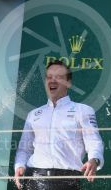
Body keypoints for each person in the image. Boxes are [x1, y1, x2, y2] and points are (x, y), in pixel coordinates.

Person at [14, 60, 104, 190]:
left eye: (59, 77)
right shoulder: (33, 114)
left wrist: (94, 160)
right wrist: (20, 166)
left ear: (68, 83)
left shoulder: (83, 110)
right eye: (49, 77)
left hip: (67, 181)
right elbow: (24, 149)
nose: (53, 81)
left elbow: (94, 141)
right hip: (34, 178)